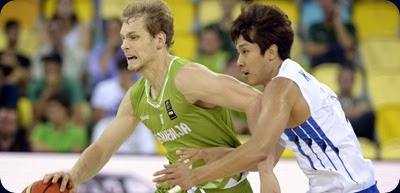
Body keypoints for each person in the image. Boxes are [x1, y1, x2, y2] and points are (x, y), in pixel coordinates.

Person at [41, 1, 280, 193]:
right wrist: (73, 176)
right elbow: (103, 149)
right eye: (124, 38)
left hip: (224, 188)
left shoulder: (188, 78)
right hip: (180, 186)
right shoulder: (136, 96)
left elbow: (256, 100)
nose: (124, 45)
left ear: (159, 39)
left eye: (134, 37)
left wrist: (265, 169)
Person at [153, 3, 379, 193]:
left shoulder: (282, 87)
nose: (239, 61)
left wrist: (194, 177)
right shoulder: (292, 79)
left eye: (245, 51)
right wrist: (213, 154)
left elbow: (258, 150)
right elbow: (263, 158)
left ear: (271, 52)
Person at [337, 65, 376, 142]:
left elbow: (367, 109)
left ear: (353, 82)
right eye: (343, 81)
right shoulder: (332, 100)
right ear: (338, 81)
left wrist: (345, 113)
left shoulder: (360, 100)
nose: (345, 84)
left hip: (359, 133)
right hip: (340, 134)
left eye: (347, 81)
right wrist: (355, 112)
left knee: (369, 116)